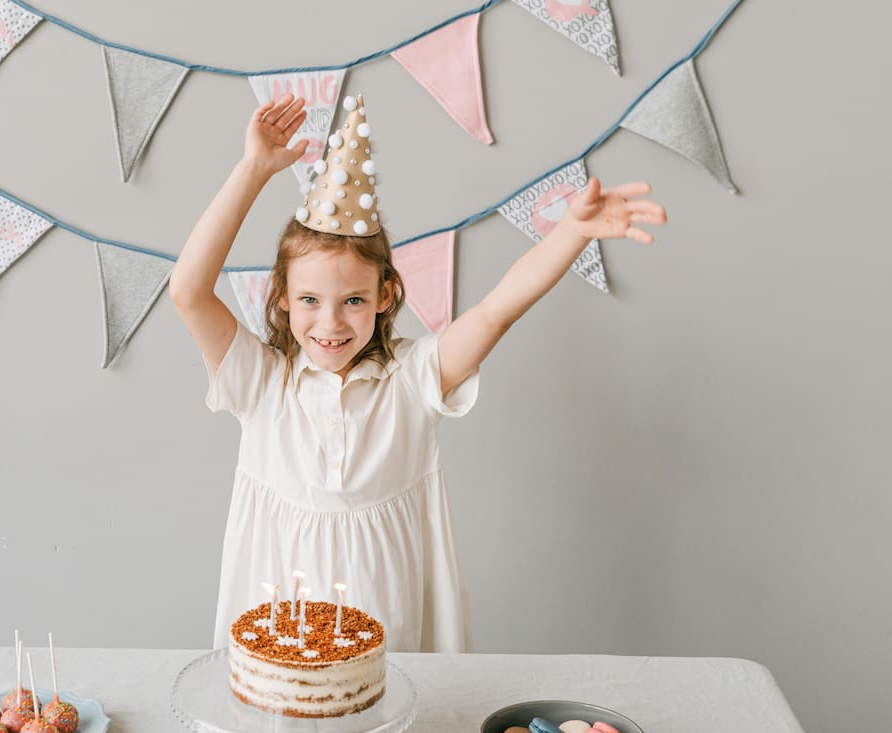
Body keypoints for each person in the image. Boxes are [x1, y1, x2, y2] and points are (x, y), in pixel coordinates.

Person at [169, 93, 666, 652]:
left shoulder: (413, 379)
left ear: (385, 296)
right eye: (309, 298)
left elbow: (496, 311)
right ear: (280, 296)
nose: (330, 322)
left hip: (387, 630)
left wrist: (570, 234)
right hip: (276, 637)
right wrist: (253, 170)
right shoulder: (262, 385)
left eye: (353, 300)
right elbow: (188, 291)